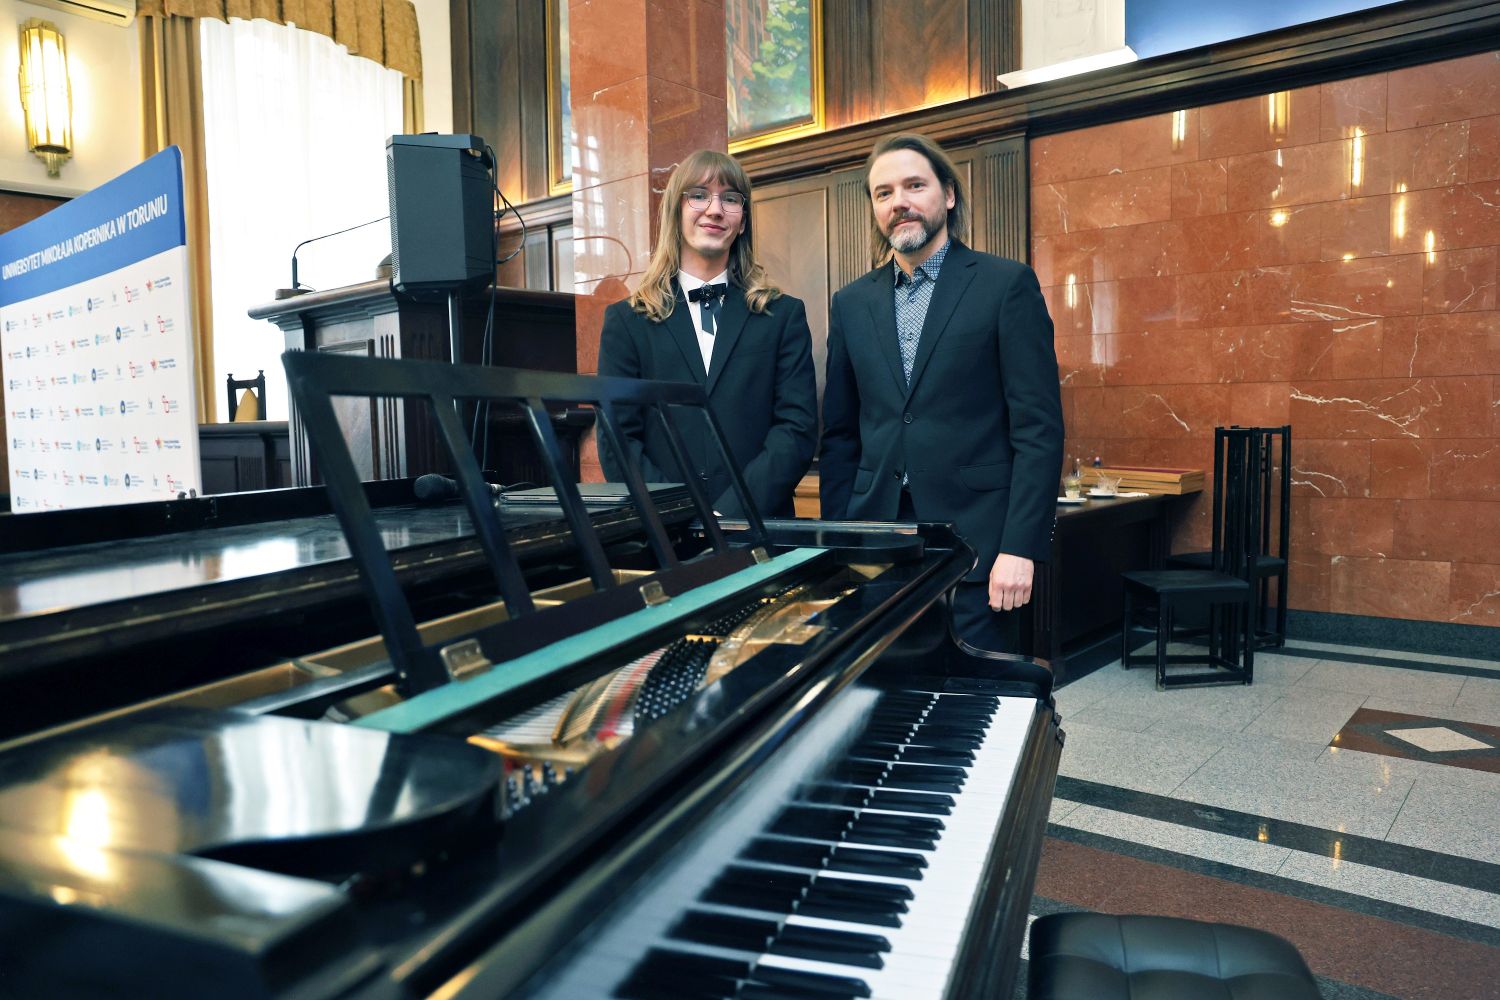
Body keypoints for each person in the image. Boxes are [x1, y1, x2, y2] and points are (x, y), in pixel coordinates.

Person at [819, 133, 1065, 651]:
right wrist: (841, 538)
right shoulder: (850, 303)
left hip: (979, 548)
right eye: (883, 193)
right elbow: (840, 435)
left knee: (977, 691)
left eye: (914, 185)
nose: (899, 202)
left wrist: (1021, 547)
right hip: (877, 547)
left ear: (948, 194)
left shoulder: (1005, 285)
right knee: (881, 688)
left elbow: (1038, 431)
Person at [598, 150, 817, 518]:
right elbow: (616, 439)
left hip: (759, 526)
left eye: (730, 198)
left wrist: (731, 514)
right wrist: (680, 512)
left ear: (742, 221)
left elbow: (796, 431)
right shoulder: (626, 321)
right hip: (665, 531)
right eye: (699, 195)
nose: (715, 210)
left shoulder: (783, 316)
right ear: (676, 212)